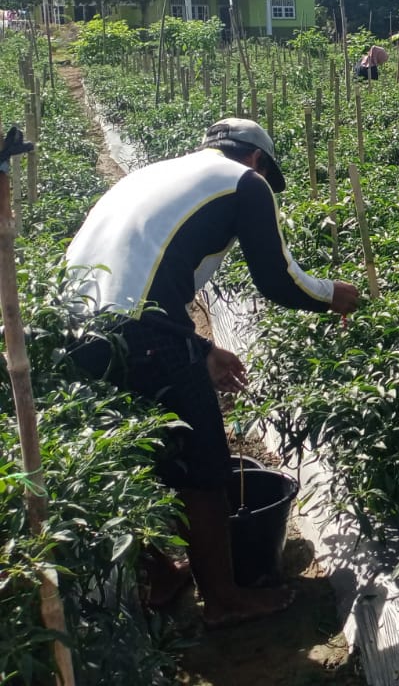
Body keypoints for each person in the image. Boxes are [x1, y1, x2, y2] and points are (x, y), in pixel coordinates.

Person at [64, 118, 361, 628]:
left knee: (130, 458)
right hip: (143, 332)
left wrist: (200, 348)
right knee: (204, 470)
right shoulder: (247, 182)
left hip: (71, 327)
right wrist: (334, 294)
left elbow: (142, 277)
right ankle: (224, 599)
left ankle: (162, 572)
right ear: (258, 160)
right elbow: (277, 279)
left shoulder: (153, 176)